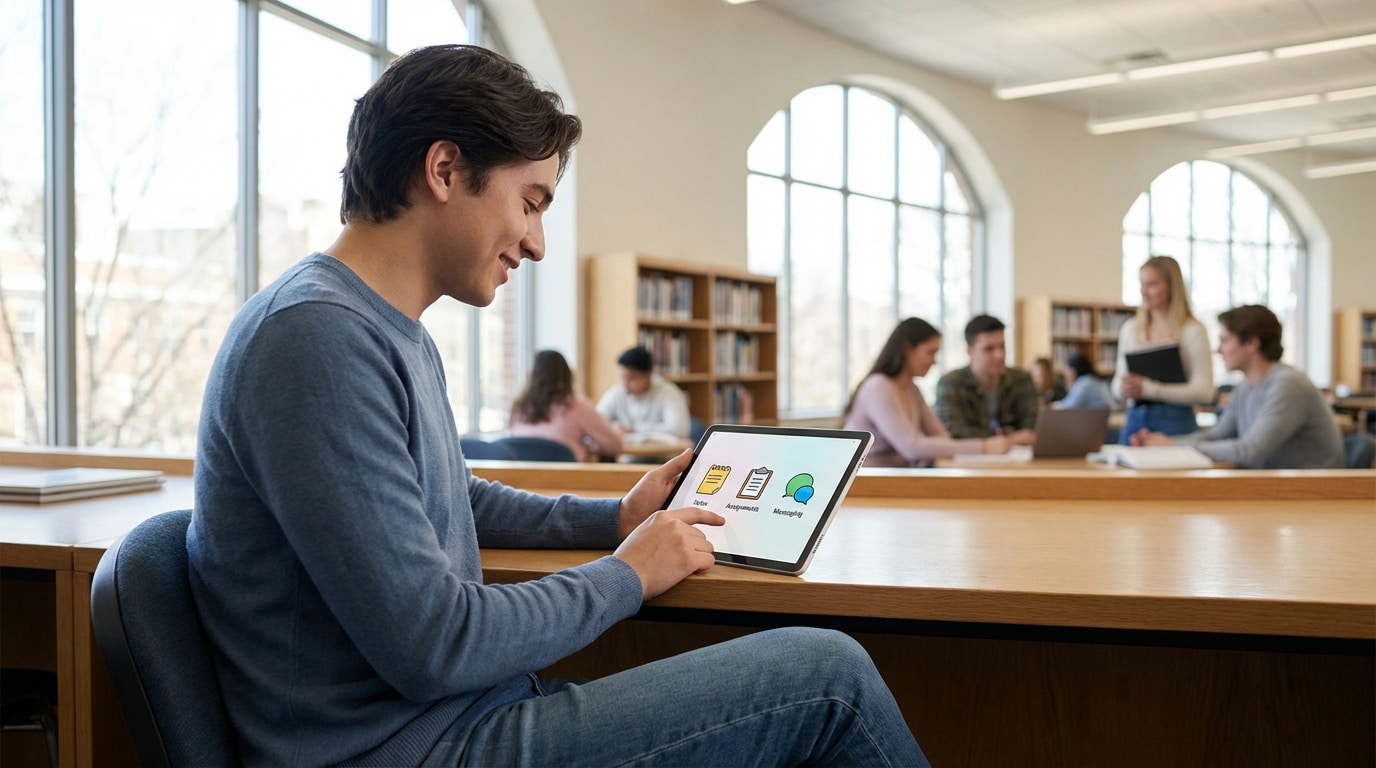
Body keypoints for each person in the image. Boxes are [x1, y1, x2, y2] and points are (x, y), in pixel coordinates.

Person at [188, 45, 926, 767]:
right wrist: (628, 574)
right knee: (830, 679)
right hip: (416, 744)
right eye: (531, 203)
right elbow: (434, 645)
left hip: (462, 715)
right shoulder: (314, 339)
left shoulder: (385, 330)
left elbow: (453, 500)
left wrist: (612, 521)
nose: (537, 243)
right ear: (445, 169)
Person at [1130, 305, 1343, 469]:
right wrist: (1166, 443)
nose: (1218, 350)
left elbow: (1250, 450)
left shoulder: (1288, 385)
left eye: (1225, 340)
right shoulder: (1244, 388)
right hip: (1279, 490)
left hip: (1313, 495)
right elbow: (1215, 435)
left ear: (1252, 343)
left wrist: (1173, 449)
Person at [843, 317, 1012, 466]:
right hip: (865, 483)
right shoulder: (878, 387)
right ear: (908, 349)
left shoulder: (912, 389)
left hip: (897, 477)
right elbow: (911, 447)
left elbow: (941, 437)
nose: (934, 361)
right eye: (930, 353)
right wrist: (984, 447)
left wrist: (925, 450)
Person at [1112, 255, 1214, 442]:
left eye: (1152, 284)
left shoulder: (1193, 331)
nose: (1144, 292)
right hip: (1134, 422)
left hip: (1177, 425)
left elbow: (1205, 391)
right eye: (1141, 284)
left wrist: (1149, 389)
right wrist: (1124, 387)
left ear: (1171, 287)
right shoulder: (1130, 329)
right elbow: (1116, 386)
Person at [935, 314, 1040, 444]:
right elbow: (953, 432)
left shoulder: (1021, 379)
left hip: (1018, 461)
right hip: (969, 462)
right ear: (970, 352)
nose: (999, 355)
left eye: (1002, 346)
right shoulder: (951, 383)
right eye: (989, 349)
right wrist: (1009, 438)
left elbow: (1034, 428)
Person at [509, 349, 623, 462]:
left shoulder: (519, 407)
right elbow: (614, 445)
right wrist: (617, 431)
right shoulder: (577, 405)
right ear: (568, 374)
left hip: (518, 478)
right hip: (564, 478)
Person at [595, 345, 692, 439]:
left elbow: (679, 429)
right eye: (622, 378)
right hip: (629, 454)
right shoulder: (617, 392)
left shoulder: (667, 392)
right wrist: (612, 427)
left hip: (664, 454)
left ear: (648, 375)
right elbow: (596, 419)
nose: (625, 384)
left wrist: (635, 429)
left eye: (631, 379)